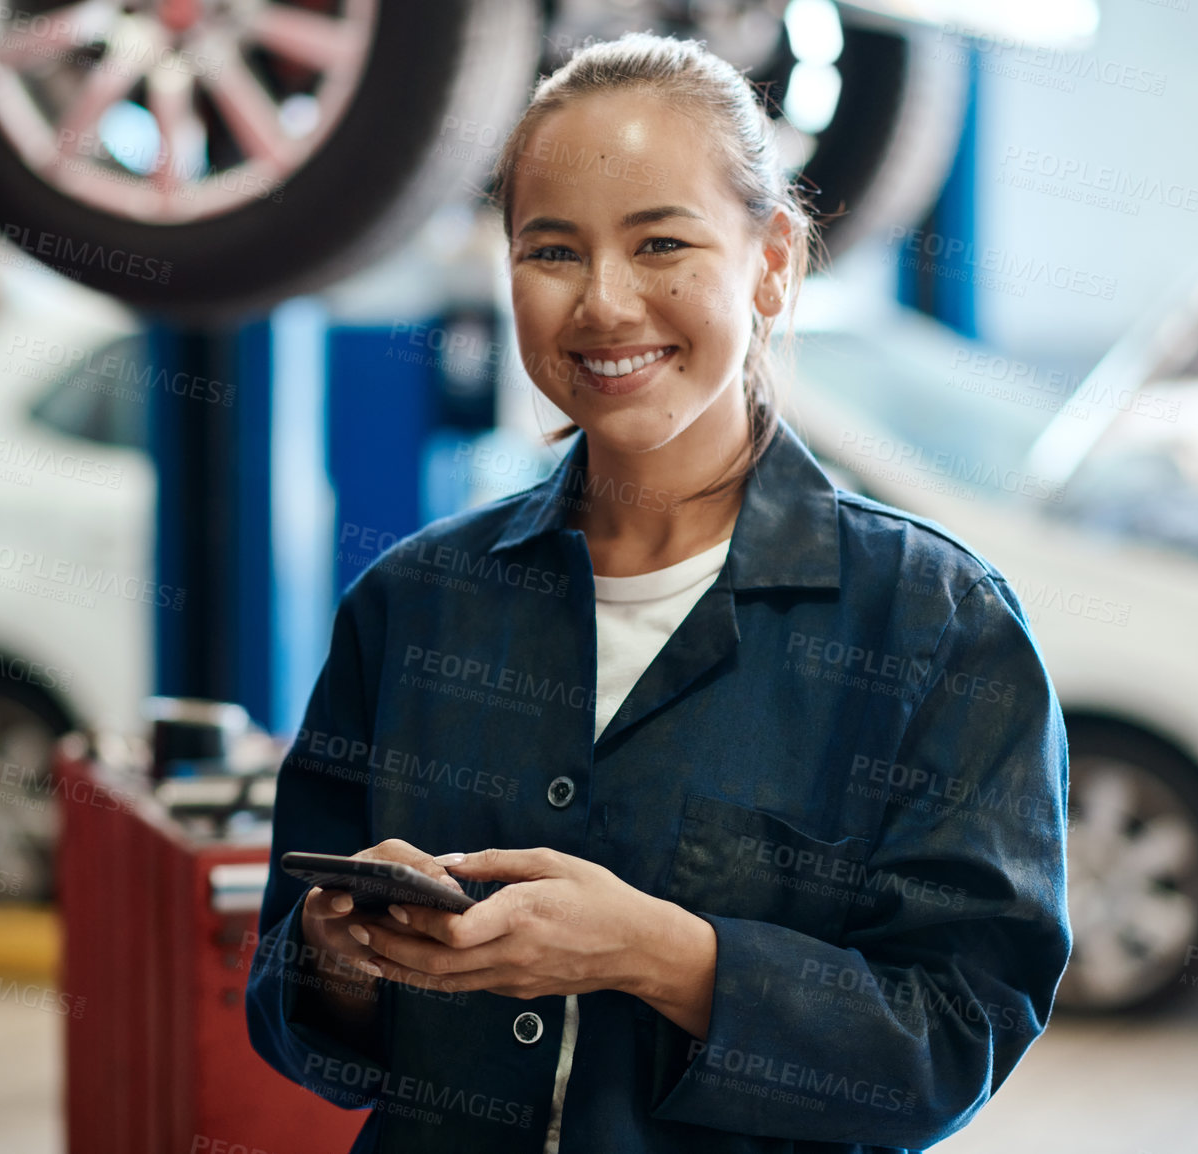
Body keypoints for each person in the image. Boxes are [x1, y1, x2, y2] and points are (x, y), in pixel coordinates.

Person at [246, 31, 1070, 1154]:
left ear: (771, 257)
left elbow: (954, 1040)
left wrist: (659, 953)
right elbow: (297, 1022)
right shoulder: (411, 603)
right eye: (552, 251)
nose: (604, 303)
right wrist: (339, 955)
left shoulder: (935, 626)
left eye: (659, 242)